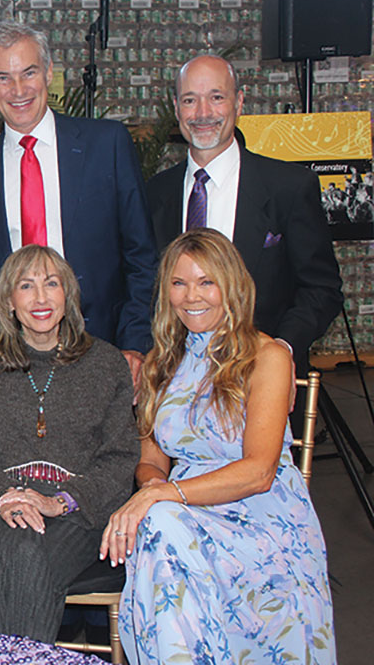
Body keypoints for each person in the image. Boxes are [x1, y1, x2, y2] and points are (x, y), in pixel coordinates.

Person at [101, 229, 336, 663]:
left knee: (158, 525)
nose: (192, 296)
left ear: (232, 285)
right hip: (184, 514)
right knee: (161, 526)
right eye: (179, 282)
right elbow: (151, 459)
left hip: (260, 518)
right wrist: (156, 488)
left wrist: (161, 494)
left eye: (206, 282)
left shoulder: (267, 357)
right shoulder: (160, 363)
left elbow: (260, 470)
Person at [0, 21, 158, 383]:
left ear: (48, 73)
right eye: (3, 78)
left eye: (28, 73)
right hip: (10, 357)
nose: (17, 90)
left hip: (102, 350)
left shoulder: (106, 145)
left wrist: (135, 344)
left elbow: (141, 256)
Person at [0, 245, 138, 641]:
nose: (40, 298)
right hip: (1, 508)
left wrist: (60, 501)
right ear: (8, 300)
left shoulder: (106, 364)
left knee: (22, 556)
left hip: (79, 513)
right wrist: (4, 496)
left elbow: (120, 458)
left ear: (68, 296)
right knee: (19, 548)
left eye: (51, 284)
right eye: (26, 286)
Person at [146, 54, 343, 381]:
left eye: (217, 97)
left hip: (262, 380)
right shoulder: (154, 194)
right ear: (177, 108)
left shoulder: (289, 188)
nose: (203, 113)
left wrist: (279, 352)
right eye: (190, 100)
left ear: (239, 102)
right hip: (176, 385)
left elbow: (322, 289)